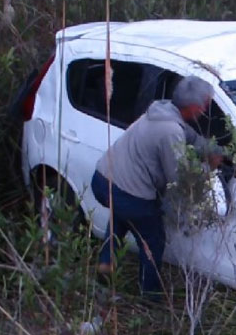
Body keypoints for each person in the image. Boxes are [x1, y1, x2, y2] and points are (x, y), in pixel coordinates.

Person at [91, 75, 224, 294]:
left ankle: (103, 277)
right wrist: (209, 168)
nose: (205, 111)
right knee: (153, 240)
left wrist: (215, 150)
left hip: (103, 178)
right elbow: (179, 179)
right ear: (192, 107)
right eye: (205, 106)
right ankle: (149, 294)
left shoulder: (160, 111)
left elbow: (190, 137)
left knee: (119, 224)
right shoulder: (169, 132)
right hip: (127, 191)